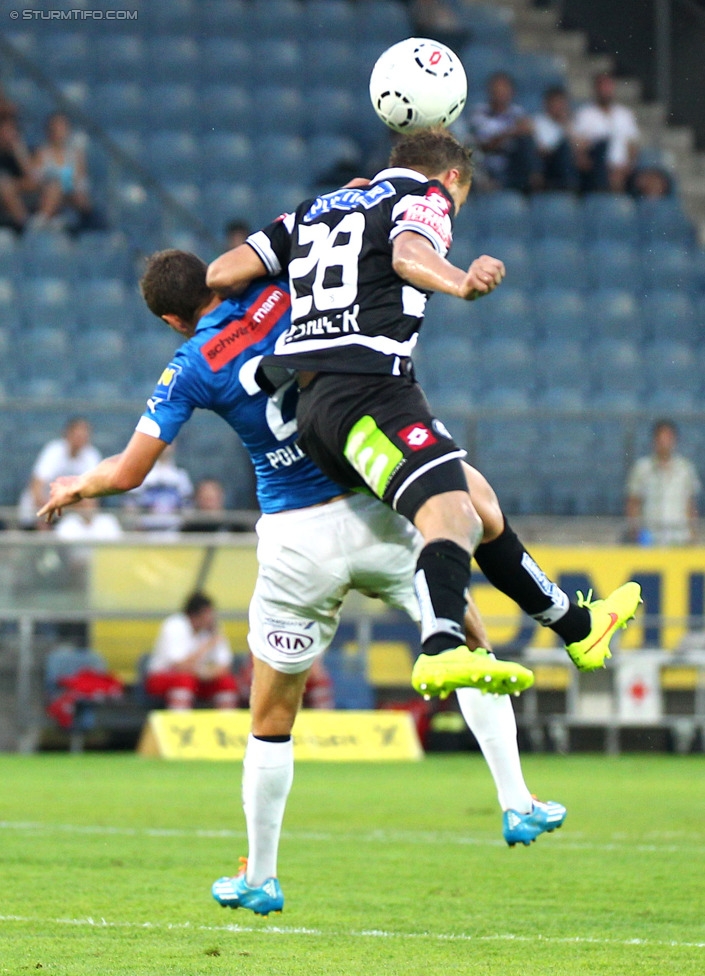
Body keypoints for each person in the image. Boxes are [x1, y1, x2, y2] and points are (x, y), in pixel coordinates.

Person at [39, 248, 637, 916]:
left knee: (270, 716)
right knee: (464, 637)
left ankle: (261, 877)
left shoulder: (187, 366)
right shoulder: (284, 299)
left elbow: (127, 474)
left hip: (297, 539)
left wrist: (77, 483)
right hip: (373, 503)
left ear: (173, 319)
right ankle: (516, 800)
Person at [145, 591, 237, 710]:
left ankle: (226, 725)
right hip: (164, 677)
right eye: (207, 615)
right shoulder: (174, 625)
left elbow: (225, 666)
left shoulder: (215, 628)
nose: (211, 619)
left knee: (226, 683)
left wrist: (210, 674)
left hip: (201, 678)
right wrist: (207, 646)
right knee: (184, 681)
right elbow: (179, 666)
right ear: (194, 615)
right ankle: (180, 725)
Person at [625, 419, 700, 545]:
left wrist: (692, 534)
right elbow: (633, 503)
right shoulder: (642, 468)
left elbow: (690, 505)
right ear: (654, 440)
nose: (664, 442)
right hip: (650, 538)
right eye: (661, 438)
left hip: (679, 537)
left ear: (674, 440)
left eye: (668, 438)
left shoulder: (685, 469)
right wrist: (636, 533)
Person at [18, 417, 102, 529]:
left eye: (84, 434)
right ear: (67, 434)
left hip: (68, 513)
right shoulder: (53, 451)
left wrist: (86, 516)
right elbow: (36, 487)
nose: (80, 438)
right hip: (37, 512)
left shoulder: (91, 456)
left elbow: (92, 497)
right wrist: (44, 516)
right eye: (77, 434)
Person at [469, 72, 541, 192]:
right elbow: (484, 145)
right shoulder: (480, 113)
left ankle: (536, 181)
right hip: (491, 166)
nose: (500, 93)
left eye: (504, 89)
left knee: (527, 141)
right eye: (497, 89)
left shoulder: (518, 113)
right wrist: (512, 132)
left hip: (514, 163)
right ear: (490, 91)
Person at [573, 71, 640, 194]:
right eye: (601, 86)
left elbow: (632, 145)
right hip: (597, 169)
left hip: (622, 169)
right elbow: (579, 146)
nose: (605, 90)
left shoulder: (625, 114)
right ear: (595, 89)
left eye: (608, 86)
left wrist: (626, 167)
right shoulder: (584, 114)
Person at [31, 112, 97, 232]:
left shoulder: (75, 155)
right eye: (55, 128)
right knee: (54, 187)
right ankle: (40, 222)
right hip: (45, 196)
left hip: (70, 199)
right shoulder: (41, 153)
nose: (58, 132)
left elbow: (77, 183)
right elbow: (34, 180)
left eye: (62, 128)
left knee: (60, 187)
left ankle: (49, 220)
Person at [122, 442, 193, 533]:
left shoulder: (181, 476)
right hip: (145, 534)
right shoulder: (139, 473)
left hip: (174, 534)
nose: (164, 443)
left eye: (169, 439)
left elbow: (188, 510)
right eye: (160, 439)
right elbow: (130, 508)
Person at [533, 85, 584, 192]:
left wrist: (566, 126)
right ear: (547, 104)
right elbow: (540, 149)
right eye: (555, 103)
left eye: (561, 103)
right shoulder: (539, 122)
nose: (559, 107)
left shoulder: (572, 123)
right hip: (549, 164)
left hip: (572, 164)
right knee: (564, 147)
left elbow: (581, 146)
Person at [0, 113, 38, 233]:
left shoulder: (25, 151)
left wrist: (19, 151)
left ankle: (28, 226)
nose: (9, 134)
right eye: (5, 130)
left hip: (24, 197)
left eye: (12, 130)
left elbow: (33, 181)